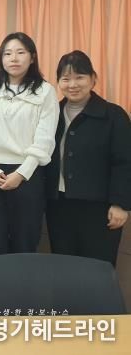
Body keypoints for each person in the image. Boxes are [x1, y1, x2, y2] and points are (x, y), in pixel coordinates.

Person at [0, 32, 58, 260]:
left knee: (24, 245)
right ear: (1, 58)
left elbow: (45, 138)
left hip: (28, 176)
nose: (14, 58)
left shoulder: (45, 91)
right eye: (8, 53)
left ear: (32, 57)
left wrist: (21, 174)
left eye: (21, 52)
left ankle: (22, 287)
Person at [46, 50, 131, 266]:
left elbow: (124, 162)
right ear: (58, 82)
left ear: (93, 79)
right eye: (66, 79)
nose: (72, 84)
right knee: (64, 266)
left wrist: (121, 204)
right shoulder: (51, 114)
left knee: (97, 270)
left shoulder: (114, 115)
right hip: (59, 206)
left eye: (80, 77)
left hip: (99, 209)